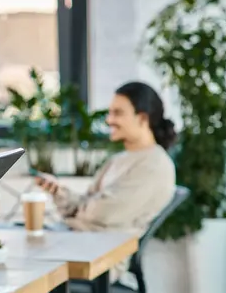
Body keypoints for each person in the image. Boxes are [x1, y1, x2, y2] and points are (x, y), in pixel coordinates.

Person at [37, 81, 176, 281]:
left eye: (118, 113)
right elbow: (89, 203)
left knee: (20, 265)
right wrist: (58, 191)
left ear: (143, 118)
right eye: (110, 112)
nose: (109, 120)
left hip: (99, 256)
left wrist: (81, 208)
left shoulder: (155, 165)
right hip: (76, 241)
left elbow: (104, 213)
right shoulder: (118, 160)